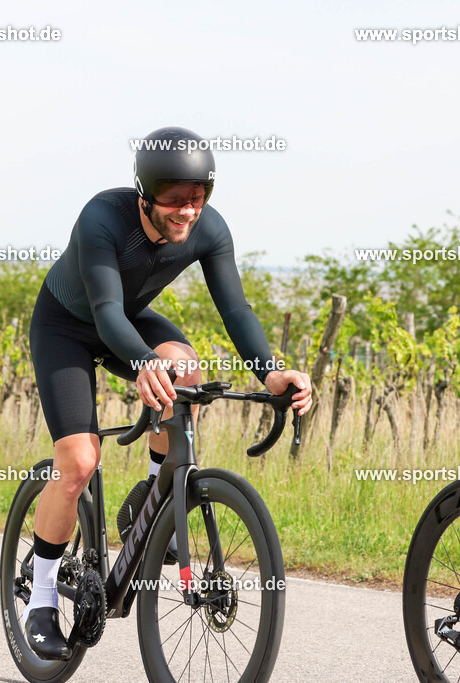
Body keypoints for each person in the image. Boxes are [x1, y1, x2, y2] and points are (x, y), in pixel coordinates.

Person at [22, 126, 313, 660]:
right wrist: (140, 364)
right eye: (175, 200)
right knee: (79, 463)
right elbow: (106, 311)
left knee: (185, 369)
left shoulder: (210, 228)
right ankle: (40, 601)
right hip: (67, 326)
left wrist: (271, 373)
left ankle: (151, 503)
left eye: (198, 198)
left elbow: (236, 311)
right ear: (145, 195)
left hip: (129, 321)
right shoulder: (101, 218)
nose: (187, 211)